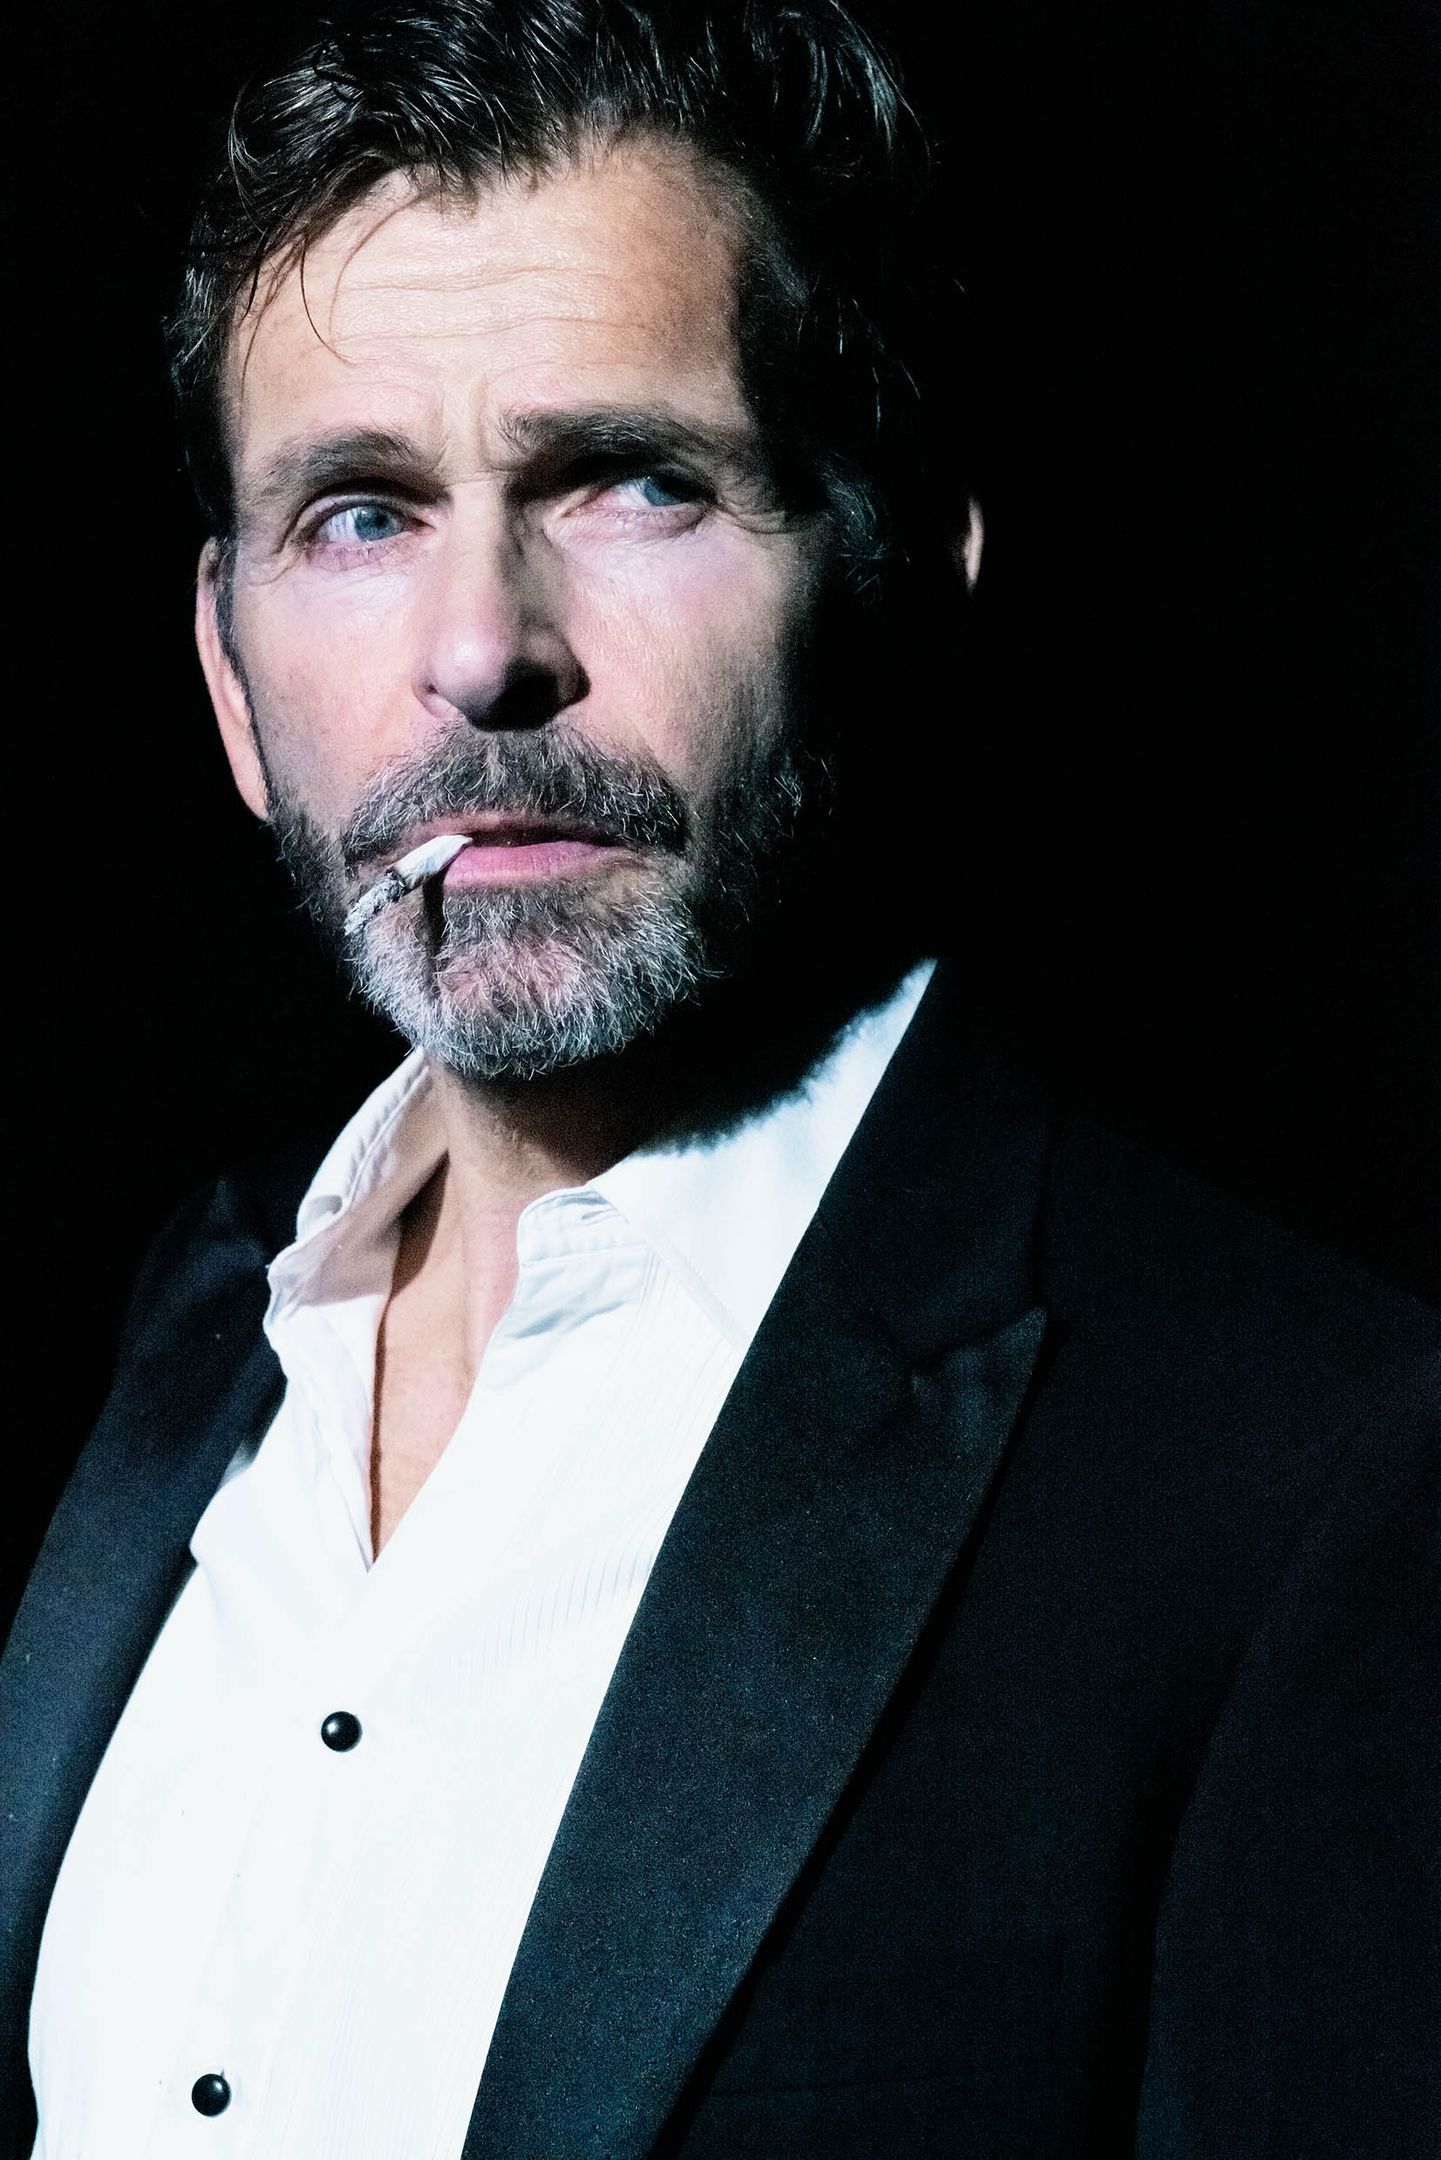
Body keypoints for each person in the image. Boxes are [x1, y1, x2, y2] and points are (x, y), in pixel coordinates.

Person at [2, 3, 1435, 2154]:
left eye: (632, 482)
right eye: (360, 515)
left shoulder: (1309, 1467)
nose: (480, 652)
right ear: (229, 677)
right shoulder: (183, 1329)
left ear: (898, 577)